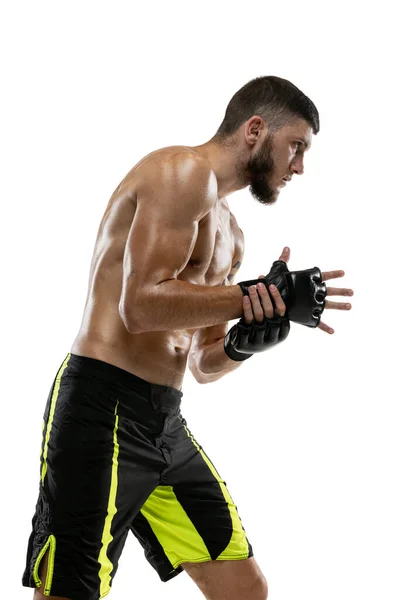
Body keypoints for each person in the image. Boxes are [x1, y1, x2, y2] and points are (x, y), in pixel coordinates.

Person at [23, 75, 353, 600]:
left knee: (244, 589)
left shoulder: (232, 232)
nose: (299, 167)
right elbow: (140, 305)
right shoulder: (180, 173)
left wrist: (251, 336)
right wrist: (250, 295)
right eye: (296, 147)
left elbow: (202, 361)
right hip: (99, 409)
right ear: (254, 129)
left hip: (164, 423)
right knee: (68, 592)